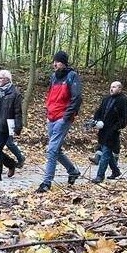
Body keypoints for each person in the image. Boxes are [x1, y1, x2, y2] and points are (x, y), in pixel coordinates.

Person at [36, 50, 82, 193]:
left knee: (52, 149)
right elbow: (50, 96)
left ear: (64, 63)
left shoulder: (72, 76)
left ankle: (46, 182)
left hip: (63, 117)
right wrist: (48, 111)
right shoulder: (53, 77)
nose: (54, 64)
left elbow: (77, 98)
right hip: (52, 116)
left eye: (58, 61)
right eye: (54, 61)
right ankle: (72, 171)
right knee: (56, 150)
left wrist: (67, 116)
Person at [89, 81, 127, 183]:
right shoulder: (106, 99)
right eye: (111, 87)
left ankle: (100, 176)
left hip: (113, 131)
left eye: (114, 87)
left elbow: (125, 118)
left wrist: (117, 127)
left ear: (120, 89)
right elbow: (99, 111)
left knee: (106, 152)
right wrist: (96, 121)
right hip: (103, 129)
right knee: (105, 151)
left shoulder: (124, 101)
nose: (111, 89)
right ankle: (116, 171)